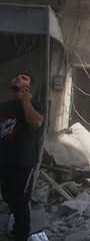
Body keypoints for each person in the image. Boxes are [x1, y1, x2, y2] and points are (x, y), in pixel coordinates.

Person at [0, 73, 44, 241]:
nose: (18, 78)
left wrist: (25, 101)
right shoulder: (3, 107)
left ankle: (21, 234)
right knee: (8, 197)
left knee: (20, 200)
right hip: (4, 161)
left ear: (29, 86)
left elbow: (37, 123)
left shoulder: (34, 106)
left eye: (24, 77)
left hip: (23, 162)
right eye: (16, 77)